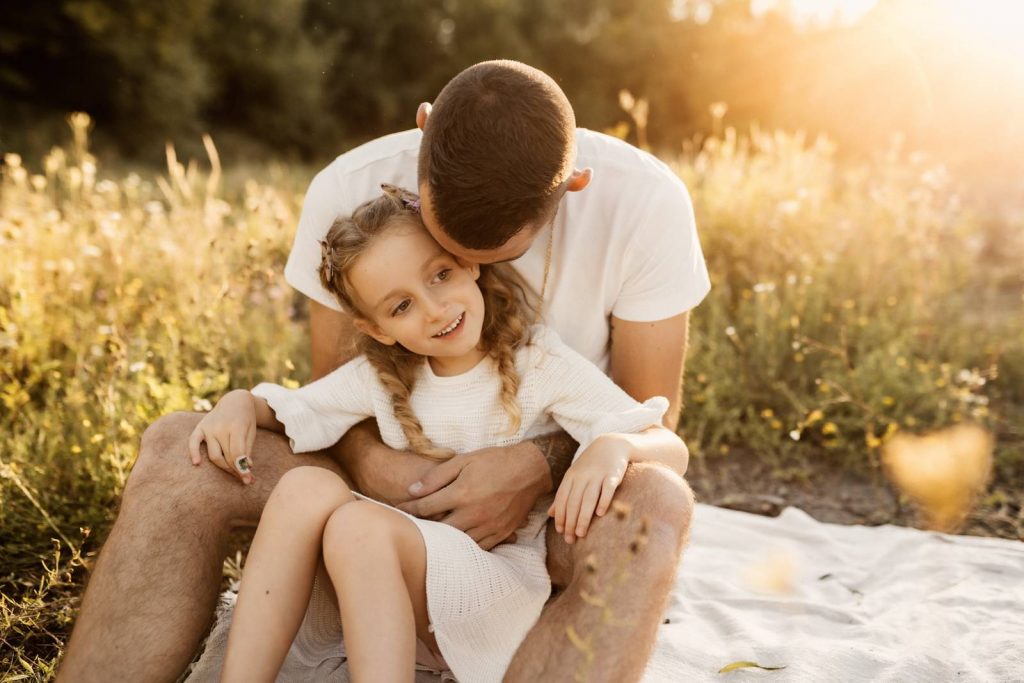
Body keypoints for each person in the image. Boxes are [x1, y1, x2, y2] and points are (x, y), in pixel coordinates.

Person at [58, 60, 710, 682]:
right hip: (380, 505)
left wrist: (535, 464)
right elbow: (333, 404)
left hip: (542, 525)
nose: (442, 305)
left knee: (656, 501)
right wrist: (376, 465)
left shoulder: (643, 206)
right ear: (422, 128)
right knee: (180, 452)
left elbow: (650, 414)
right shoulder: (348, 186)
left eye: (458, 268)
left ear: (574, 184)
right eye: (435, 242)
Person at [196, 185, 687, 682]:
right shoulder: (383, 377)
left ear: (468, 262)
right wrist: (239, 402)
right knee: (304, 487)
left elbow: (670, 446)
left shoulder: (536, 361)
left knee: (355, 525)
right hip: (395, 587)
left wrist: (616, 444)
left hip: (494, 592)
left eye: (441, 275)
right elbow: (293, 410)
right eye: (401, 306)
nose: (434, 308)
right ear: (377, 329)